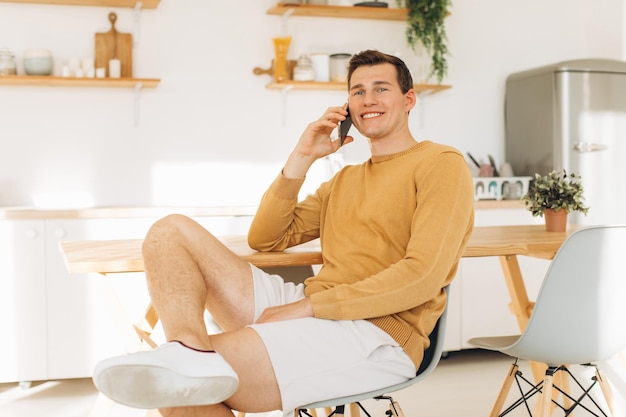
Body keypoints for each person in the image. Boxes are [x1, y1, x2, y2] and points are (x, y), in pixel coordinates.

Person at [92, 50, 475, 417]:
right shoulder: (345, 179)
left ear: (408, 99)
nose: (367, 98)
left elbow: (421, 276)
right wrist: (302, 157)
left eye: (381, 88)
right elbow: (267, 238)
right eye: (357, 91)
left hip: (377, 332)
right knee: (168, 232)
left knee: (176, 385)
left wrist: (306, 309)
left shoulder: (440, 164)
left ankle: (188, 361)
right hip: (318, 306)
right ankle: (188, 351)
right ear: (347, 107)